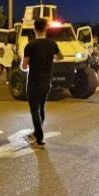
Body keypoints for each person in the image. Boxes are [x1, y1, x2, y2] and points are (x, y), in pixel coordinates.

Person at [21, 18, 63, 149]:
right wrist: (50, 59)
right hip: (46, 82)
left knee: (34, 111)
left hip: (33, 82)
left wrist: (29, 65)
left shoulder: (30, 46)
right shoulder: (52, 44)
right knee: (41, 108)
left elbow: (23, 66)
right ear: (46, 29)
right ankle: (36, 133)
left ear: (34, 29)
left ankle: (39, 140)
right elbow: (60, 56)